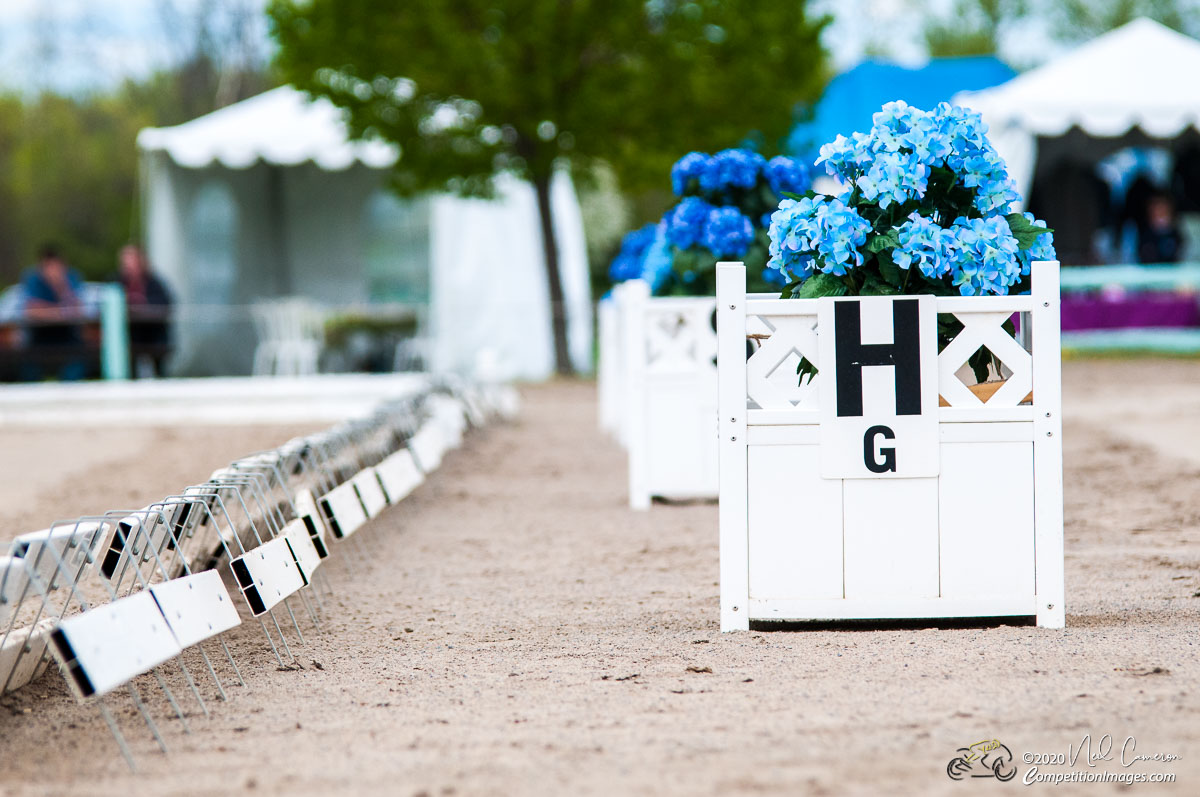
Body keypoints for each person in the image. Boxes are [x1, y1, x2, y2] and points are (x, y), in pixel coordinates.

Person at [20, 244, 88, 381]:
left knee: (79, 361)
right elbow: (31, 310)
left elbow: (78, 309)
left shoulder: (71, 277)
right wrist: (61, 313)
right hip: (39, 338)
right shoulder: (32, 279)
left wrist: (61, 286)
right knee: (25, 364)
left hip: (67, 337)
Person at [117, 244, 173, 377]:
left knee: (158, 357)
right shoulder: (118, 282)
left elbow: (166, 304)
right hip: (131, 335)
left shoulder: (154, 283)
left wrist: (142, 306)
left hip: (153, 334)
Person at [1138, 192, 1184, 264]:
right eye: (1156, 211)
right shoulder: (1144, 236)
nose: (1159, 216)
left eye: (1163, 212)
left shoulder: (1178, 233)